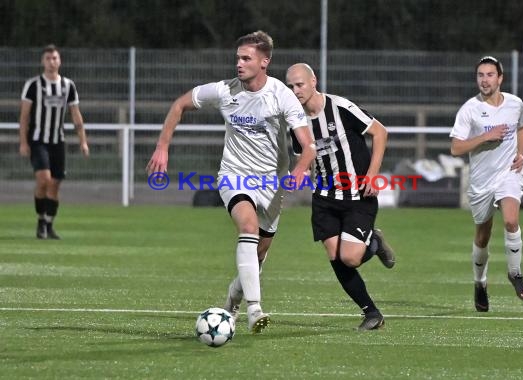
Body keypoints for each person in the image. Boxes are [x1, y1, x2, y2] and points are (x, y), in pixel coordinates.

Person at [146, 31, 316, 334]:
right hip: (234, 175)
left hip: (272, 184)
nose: (239, 63)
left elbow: (308, 145)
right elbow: (179, 105)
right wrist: (162, 146)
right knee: (247, 227)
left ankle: (232, 303)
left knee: (258, 254)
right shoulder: (225, 90)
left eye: (246, 58)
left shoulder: (281, 95)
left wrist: (301, 168)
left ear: (264, 62)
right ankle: (255, 309)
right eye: (238, 57)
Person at [285, 63, 396, 331]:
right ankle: (371, 313)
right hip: (324, 198)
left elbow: (380, 132)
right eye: (290, 87)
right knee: (335, 255)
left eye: (299, 84)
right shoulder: (296, 123)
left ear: (314, 81)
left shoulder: (340, 107)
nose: (295, 91)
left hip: (357, 193)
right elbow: (305, 158)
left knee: (350, 258)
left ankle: (373, 241)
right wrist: (299, 173)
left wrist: (372, 174)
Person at [450, 56, 523, 312]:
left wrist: (521, 153)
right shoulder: (469, 109)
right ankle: (479, 283)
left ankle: (515, 273)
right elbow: (455, 147)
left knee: (510, 220)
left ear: (500, 78)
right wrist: (484, 137)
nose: (485, 80)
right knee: (482, 236)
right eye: (481, 75)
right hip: (481, 182)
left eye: (490, 75)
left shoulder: (515, 104)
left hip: (509, 173)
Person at [19, 44, 89, 240]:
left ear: (60, 61)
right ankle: (40, 220)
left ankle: (48, 224)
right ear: (43, 61)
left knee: (55, 185)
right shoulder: (33, 85)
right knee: (44, 180)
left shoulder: (68, 86)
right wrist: (23, 142)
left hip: (58, 141)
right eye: (48, 58)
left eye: (55, 58)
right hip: (38, 140)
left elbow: (76, 115)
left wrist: (83, 141)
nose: (52, 62)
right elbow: (24, 116)